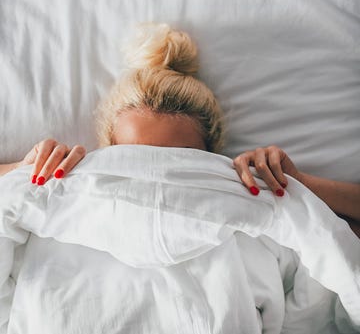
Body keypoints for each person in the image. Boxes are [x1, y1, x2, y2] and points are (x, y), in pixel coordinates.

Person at [1, 22, 359, 237]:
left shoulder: (244, 196)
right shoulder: (66, 193)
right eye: (133, 158)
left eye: (179, 160)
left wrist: (295, 185)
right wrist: (19, 175)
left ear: (212, 155)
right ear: (105, 149)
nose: (157, 177)